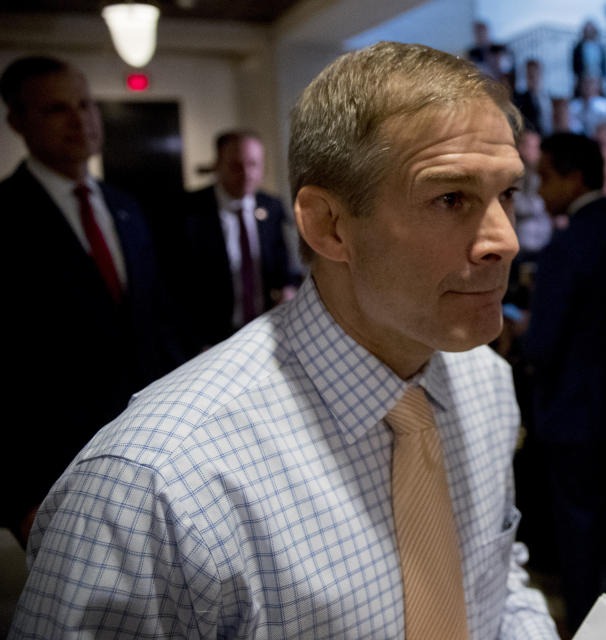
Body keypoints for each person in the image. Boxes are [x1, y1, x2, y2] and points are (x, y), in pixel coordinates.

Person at [11, 42, 559, 639]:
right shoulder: (156, 488)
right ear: (330, 225)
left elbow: (493, 579)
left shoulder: (486, 382)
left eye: (506, 194)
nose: (503, 239)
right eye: (450, 198)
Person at [0, 56, 183, 547]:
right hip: (54, 471)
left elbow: (156, 327)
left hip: (148, 456)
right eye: (57, 109)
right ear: (17, 121)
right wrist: (19, 498)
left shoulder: (126, 207)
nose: (80, 120)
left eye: (85, 105)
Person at [525, 132, 606, 630]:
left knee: (578, 533)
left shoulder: (566, 246)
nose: (539, 190)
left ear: (574, 176)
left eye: (545, 176)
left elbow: (543, 344)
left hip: (573, 408)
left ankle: (587, 628)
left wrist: (525, 338)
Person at [175, 129, 300, 353]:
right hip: (211, 340)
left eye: (253, 165)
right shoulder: (188, 210)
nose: (246, 174)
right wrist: (196, 343)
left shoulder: (271, 206)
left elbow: (282, 263)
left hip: (262, 333)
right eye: (236, 166)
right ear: (217, 165)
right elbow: (177, 288)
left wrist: (288, 288)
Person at [513, 59, 552, 136]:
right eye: (530, 75)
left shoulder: (549, 97)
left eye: (536, 74)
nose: (533, 78)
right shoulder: (519, 100)